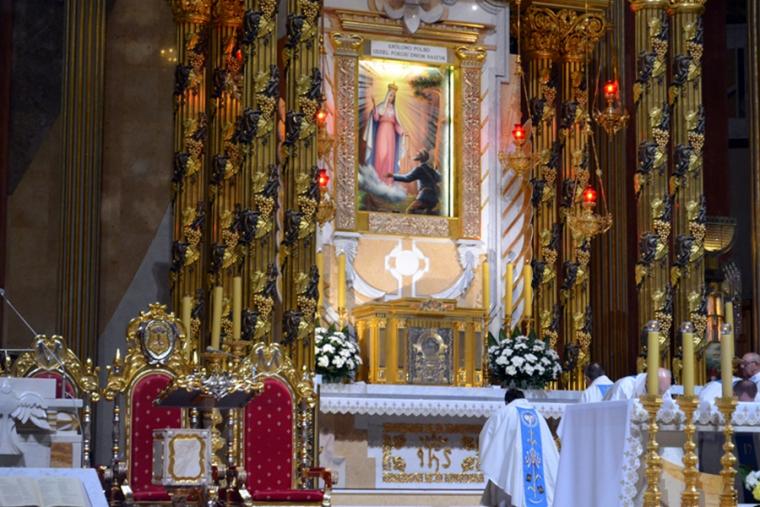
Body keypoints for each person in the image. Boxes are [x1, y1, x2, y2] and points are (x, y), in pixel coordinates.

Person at [479, 388, 559, 507]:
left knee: (506, 473)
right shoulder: (537, 415)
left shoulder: (504, 413)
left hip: (512, 465)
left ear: (507, 401)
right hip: (537, 465)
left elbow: (487, 437)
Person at [363, 83, 405, 185]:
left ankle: (388, 182)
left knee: (389, 157)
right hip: (381, 132)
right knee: (381, 154)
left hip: (391, 135)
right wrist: (374, 107)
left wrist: (401, 131)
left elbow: (396, 124)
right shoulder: (381, 106)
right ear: (387, 95)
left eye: (393, 96)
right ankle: (378, 180)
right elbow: (376, 118)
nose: (391, 98)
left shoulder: (394, 109)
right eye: (390, 95)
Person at [388, 149, 441, 214]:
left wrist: (393, 176)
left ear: (420, 157)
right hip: (434, 199)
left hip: (425, 197)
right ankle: (430, 212)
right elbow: (439, 178)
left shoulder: (419, 169)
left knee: (410, 211)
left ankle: (432, 212)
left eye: (418, 153)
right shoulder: (432, 170)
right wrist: (436, 171)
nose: (416, 154)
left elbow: (407, 178)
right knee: (422, 213)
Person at [603, 368, 672, 401]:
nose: (659, 396)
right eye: (658, 392)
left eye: (662, 393)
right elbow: (612, 414)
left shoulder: (663, 388)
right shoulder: (625, 387)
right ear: (647, 382)